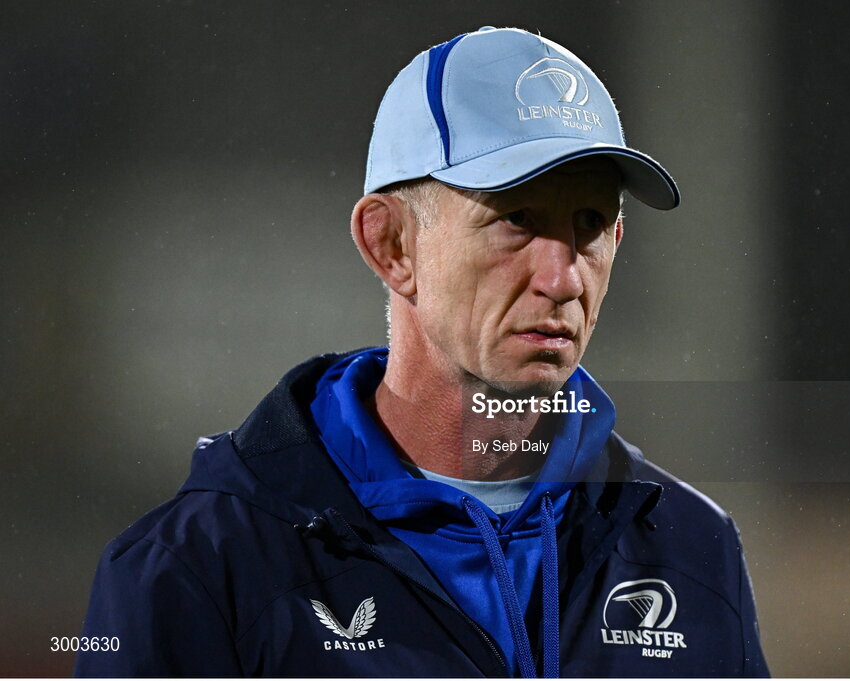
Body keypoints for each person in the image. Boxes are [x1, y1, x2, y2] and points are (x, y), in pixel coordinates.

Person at [76, 27, 769, 677]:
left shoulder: (691, 548)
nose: (562, 279)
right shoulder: (197, 568)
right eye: (516, 220)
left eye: (589, 224)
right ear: (393, 246)